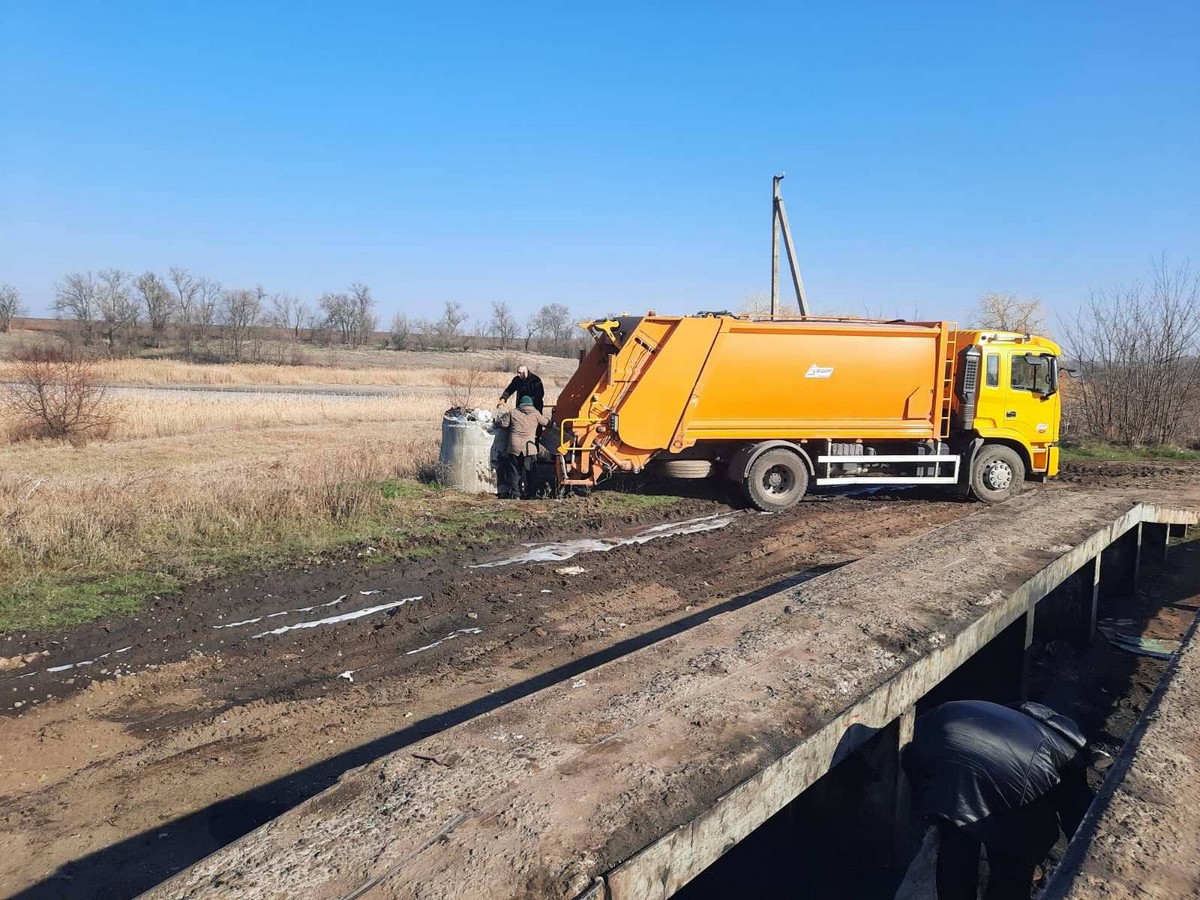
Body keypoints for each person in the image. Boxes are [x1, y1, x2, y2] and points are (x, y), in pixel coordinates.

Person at [902, 700, 1094, 900]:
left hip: (933, 730)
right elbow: (1083, 822)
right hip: (1009, 770)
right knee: (1013, 861)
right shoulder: (1069, 755)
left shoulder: (1021, 720)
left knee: (957, 842)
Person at [494, 395, 549, 500]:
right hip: (529, 448)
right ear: (531, 404)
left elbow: (504, 424)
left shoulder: (513, 412)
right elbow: (547, 423)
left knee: (515, 472)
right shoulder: (535, 414)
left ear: (520, 403)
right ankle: (531, 494)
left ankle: (516, 495)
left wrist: (497, 421)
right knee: (531, 472)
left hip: (514, 447)